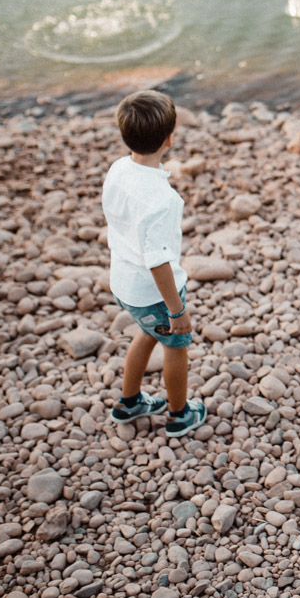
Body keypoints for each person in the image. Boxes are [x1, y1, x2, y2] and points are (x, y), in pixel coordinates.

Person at [101, 90, 207, 438]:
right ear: (169, 139)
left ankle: (129, 402)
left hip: (124, 283)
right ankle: (179, 415)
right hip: (154, 293)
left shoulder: (119, 169)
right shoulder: (161, 200)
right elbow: (158, 261)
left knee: (147, 333)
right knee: (176, 344)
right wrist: (177, 311)